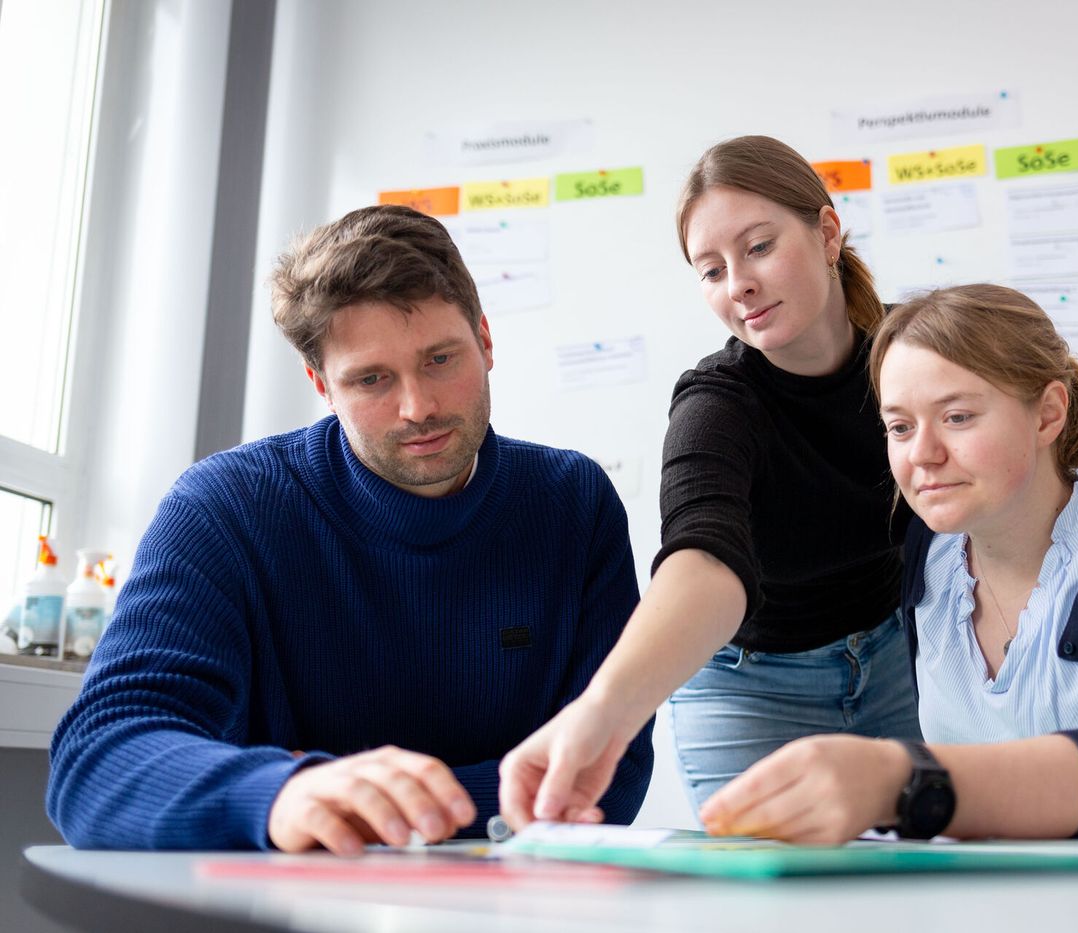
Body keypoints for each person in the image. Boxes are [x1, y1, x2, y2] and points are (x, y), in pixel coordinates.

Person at [46, 205, 652, 853]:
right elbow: (95, 759)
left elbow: (605, 776)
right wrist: (283, 791)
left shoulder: (574, 502)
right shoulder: (226, 505)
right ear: (321, 385)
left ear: (486, 340)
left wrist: (367, 807)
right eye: (372, 379)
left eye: (441, 358)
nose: (418, 407)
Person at [696, 284, 1078, 843]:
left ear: (1047, 414)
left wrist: (901, 778)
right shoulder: (927, 559)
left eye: (958, 417)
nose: (924, 455)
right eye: (900, 426)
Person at [500, 136, 921, 827]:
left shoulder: (909, 363)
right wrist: (603, 712)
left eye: (758, 247)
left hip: (898, 657)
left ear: (826, 232)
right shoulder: (717, 404)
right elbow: (704, 560)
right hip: (750, 685)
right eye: (710, 270)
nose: (738, 285)